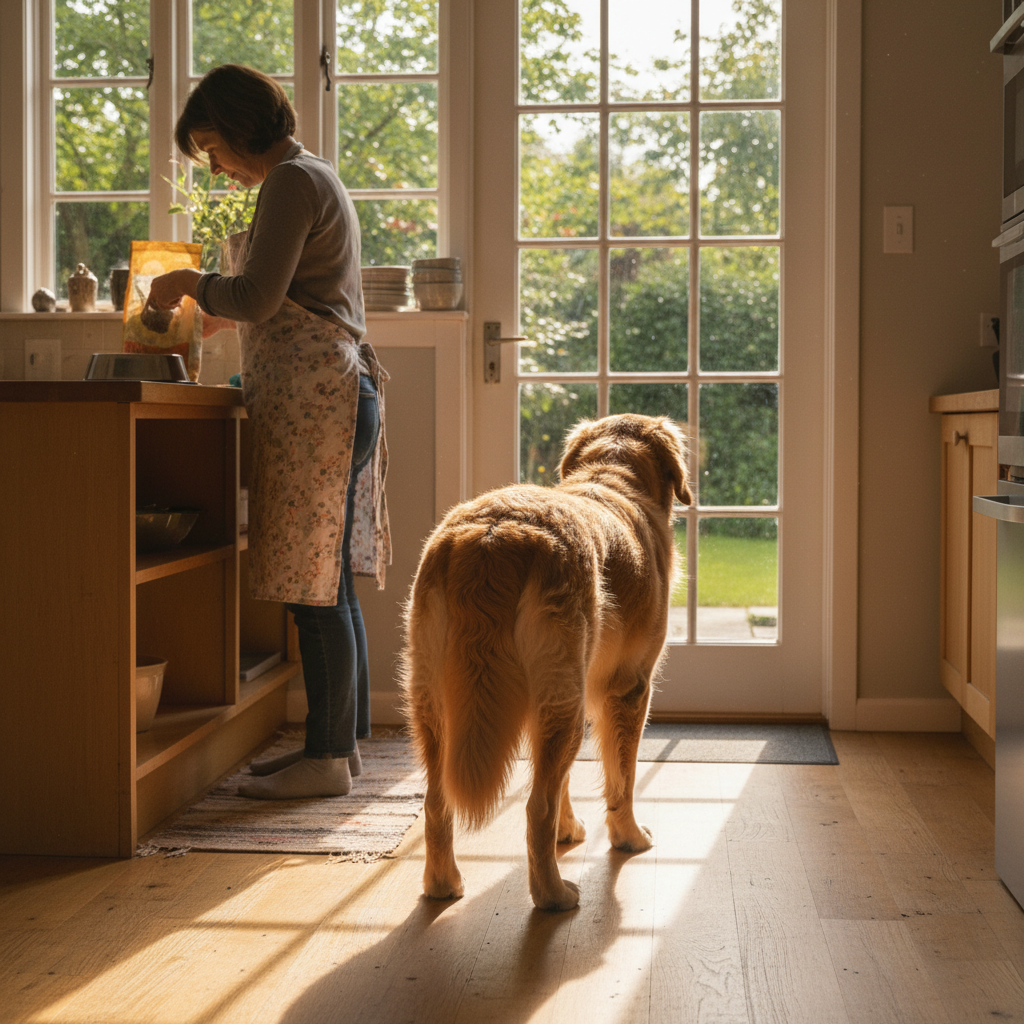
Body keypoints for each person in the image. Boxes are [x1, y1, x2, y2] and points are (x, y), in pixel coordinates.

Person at [148, 64, 390, 800]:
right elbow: (289, 297)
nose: (216, 167)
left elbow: (257, 297)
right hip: (331, 398)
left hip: (321, 401)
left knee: (313, 591)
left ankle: (327, 757)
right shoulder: (312, 175)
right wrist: (218, 313)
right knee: (326, 583)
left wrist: (184, 284)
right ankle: (338, 749)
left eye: (214, 147)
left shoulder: (291, 180)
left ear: (243, 126)